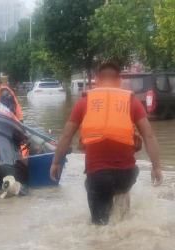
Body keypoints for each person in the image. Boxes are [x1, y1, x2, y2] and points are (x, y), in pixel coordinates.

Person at [50, 62, 163, 225]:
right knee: (124, 221)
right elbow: (149, 136)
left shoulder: (84, 102)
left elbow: (66, 136)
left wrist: (55, 162)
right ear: (119, 80)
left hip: (98, 176)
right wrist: (157, 166)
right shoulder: (131, 102)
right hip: (126, 175)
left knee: (99, 228)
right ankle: (125, 230)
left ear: (96, 80)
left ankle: (103, 246)